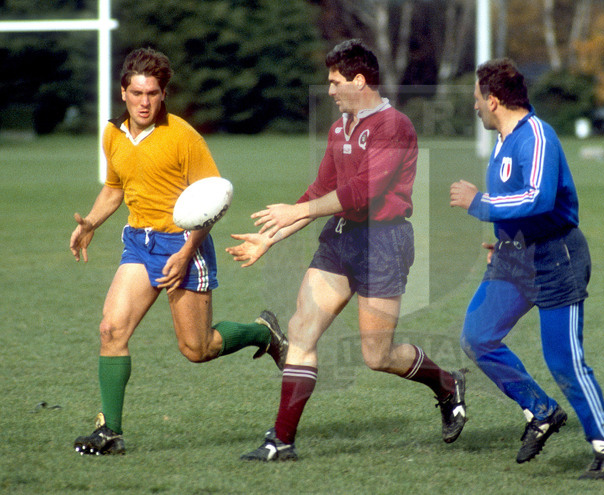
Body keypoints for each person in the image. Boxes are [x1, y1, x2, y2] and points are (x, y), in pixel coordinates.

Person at [227, 39, 467, 462]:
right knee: (301, 330)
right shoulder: (340, 127)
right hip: (340, 239)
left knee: (377, 356)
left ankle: (446, 383)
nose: (331, 90)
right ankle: (281, 440)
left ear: (359, 80)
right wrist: (271, 236)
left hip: (383, 244)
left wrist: (296, 210)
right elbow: (321, 191)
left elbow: (360, 194)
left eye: (336, 82)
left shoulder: (394, 126)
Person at [69, 47, 288, 456]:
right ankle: (110, 431)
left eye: (153, 93)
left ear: (164, 93)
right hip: (139, 241)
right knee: (110, 330)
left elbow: (214, 202)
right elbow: (115, 188)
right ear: (123, 92)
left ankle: (264, 333)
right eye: (137, 93)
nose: (145, 102)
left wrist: (187, 251)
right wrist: (91, 223)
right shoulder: (112, 134)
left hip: (184, 244)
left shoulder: (184, 137)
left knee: (197, 349)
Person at [449, 58, 604, 480]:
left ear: (493, 101)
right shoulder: (504, 139)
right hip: (514, 256)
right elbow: (518, 200)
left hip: (555, 258)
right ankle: (542, 410)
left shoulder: (537, 134)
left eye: (477, 99)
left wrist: (481, 203)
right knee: (477, 336)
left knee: (564, 361)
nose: (475, 107)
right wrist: (505, 236)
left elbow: (539, 198)